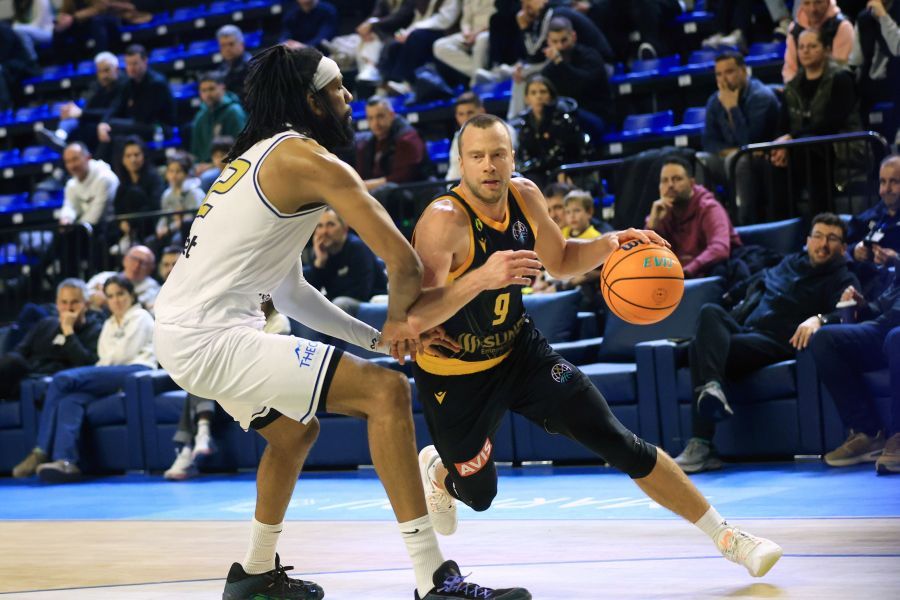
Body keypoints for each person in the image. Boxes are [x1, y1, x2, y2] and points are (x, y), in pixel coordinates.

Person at [153, 44, 526, 600]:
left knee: (294, 432)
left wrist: (382, 336)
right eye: (338, 89)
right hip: (211, 337)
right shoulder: (308, 160)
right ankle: (433, 579)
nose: (350, 97)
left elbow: (292, 293)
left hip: (185, 333)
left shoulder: (265, 156)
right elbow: (403, 262)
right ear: (311, 100)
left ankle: (254, 574)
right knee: (386, 392)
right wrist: (405, 327)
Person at [405, 113, 783, 585]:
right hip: (455, 376)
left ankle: (729, 538)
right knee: (479, 495)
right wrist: (483, 277)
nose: (489, 165)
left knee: (616, 440)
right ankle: (440, 471)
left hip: (521, 353)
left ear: (513, 157)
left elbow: (560, 259)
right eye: (477, 156)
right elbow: (412, 316)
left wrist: (611, 243)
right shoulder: (443, 222)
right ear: (459, 163)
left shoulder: (525, 196)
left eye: (498, 154)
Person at [674, 213, 859, 473]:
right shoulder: (788, 263)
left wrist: (819, 319)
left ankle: (702, 443)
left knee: (698, 349)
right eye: (818, 236)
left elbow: (849, 311)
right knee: (709, 312)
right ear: (807, 240)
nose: (823, 244)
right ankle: (712, 387)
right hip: (747, 328)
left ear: (843, 247)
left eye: (832, 239)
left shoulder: (841, 277)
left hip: (775, 341)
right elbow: (750, 287)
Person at [23, 275, 156, 483]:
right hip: (111, 374)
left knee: (62, 380)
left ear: (131, 295)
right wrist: (101, 369)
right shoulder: (110, 323)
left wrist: (98, 370)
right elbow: (105, 357)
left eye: (121, 294)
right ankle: (66, 462)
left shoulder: (141, 317)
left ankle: (40, 449)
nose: (116, 300)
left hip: (135, 370)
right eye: (110, 296)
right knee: (70, 401)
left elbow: (121, 355)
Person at [811, 269, 900, 473]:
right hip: (883, 327)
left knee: (897, 338)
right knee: (825, 339)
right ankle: (868, 434)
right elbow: (884, 305)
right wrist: (864, 307)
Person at [1, 279, 102, 430]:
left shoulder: (95, 329)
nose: (68, 308)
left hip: (58, 381)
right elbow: (18, 353)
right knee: (11, 360)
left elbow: (85, 364)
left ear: (86, 305)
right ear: (57, 304)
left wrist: (68, 331)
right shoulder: (45, 324)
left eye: (75, 302)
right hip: (28, 377)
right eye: (64, 302)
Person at [701, 51, 781, 224]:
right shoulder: (714, 101)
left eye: (729, 72)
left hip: (765, 162)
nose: (723, 79)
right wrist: (736, 152)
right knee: (701, 160)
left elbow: (749, 140)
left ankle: (744, 221)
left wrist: (732, 109)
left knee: (737, 161)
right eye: (718, 74)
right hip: (737, 156)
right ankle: (708, 220)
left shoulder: (761, 97)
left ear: (744, 71)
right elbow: (708, 142)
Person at [645, 156, 742, 279]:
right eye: (664, 180)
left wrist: (686, 271)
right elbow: (647, 258)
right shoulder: (661, 211)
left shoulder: (709, 207)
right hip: (679, 278)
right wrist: (652, 225)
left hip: (714, 276)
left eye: (677, 179)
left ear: (691, 183)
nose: (670, 185)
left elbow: (719, 249)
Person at [304, 207, 387, 315]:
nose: (324, 231)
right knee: (306, 305)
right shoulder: (320, 252)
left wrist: (328, 297)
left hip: (369, 302)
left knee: (339, 304)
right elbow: (311, 292)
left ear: (344, 229)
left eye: (330, 225)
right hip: (337, 302)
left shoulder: (357, 248)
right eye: (320, 226)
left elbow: (361, 291)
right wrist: (319, 263)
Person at [511, 75, 589, 188]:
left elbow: (563, 154)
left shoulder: (564, 119)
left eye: (543, 92)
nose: (539, 96)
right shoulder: (524, 124)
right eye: (533, 93)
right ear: (527, 99)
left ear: (551, 96)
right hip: (537, 172)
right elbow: (525, 155)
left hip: (567, 169)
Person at [541, 16, 613, 138]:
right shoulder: (549, 70)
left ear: (573, 37)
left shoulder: (590, 57)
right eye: (555, 42)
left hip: (596, 117)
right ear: (548, 42)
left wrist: (560, 63)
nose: (560, 46)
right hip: (564, 121)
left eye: (564, 40)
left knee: (564, 113)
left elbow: (581, 85)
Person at [97, 44, 177, 149]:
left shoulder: (157, 83)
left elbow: (146, 116)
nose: (131, 68)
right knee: (112, 132)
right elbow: (116, 106)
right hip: (139, 125)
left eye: (135, 64)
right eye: (128, 64)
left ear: (145, 61)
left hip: (158, 128)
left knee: (114, 127)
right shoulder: (129, 82)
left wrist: (130, 108)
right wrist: (103, 123)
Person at [847, 155, 900, 296]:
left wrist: (897, 259)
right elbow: (842, 248)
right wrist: (855, 251)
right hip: (863, 286)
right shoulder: (868, 217)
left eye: (894, 182)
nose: (886, 189)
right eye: (882, 182)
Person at [354, 96, 428, 192]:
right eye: (370, 118)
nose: (375, 123)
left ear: (391, 115)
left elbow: (402, 177)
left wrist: (367, 186)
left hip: (411, 194)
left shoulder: (408, 138)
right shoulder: (368, 142)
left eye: (380, 116)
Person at [111, 136, 163, 254]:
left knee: (135, 194)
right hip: (127, 230)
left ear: (143, 156)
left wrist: (133, 224)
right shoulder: (123, 183)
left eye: (136, 154)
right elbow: (117, 208)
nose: (133, 159)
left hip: (149, 227)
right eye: (128, 156)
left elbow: (155, 206)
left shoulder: (154, 178)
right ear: (122, 160)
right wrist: (122, 223)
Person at [783, 0, 855, 82]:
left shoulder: (842, 27)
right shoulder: (794, 28)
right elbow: (790, 69)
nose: (813, 9)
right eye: (807, 3)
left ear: (828, 2)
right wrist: (792, 90)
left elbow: (840, 70)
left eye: (818, 2)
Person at [151, 151, 205, 255]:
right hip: (171, 230)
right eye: (171, 171)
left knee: (176, 240)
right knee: (152, 241)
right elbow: (164, 216)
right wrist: (160, 228)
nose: (174, 175)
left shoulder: (194, 192)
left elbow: (191, 219)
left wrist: (170, 228)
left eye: (178, 171)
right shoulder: (167, 194)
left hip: (189, 231)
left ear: (186, 173)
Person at [433, 0, 496, 87]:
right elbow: (465, 20)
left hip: (491, 30)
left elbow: (499, 16)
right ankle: (483, 74)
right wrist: (467, 33)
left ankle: (475, 84)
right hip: (471, 32)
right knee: (440, 45)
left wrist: (476, 34)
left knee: (482, 39)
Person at [190, 71, 247, 165]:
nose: (207, 94)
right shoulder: (200, 116)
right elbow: (195, 152)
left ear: (222, 88)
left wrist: (211, 166)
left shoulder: (234, 111)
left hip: (229, 164)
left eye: (211, 89)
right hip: (204, 167)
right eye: (203, 90)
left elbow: (241, 148)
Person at [87, 245, 160, 312]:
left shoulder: (153, 288)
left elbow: (146, 311)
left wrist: (106, 299)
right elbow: (82, 295)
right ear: (125, 260)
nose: (137, 265)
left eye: (143, 263)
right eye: (134, 259)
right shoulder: (103, 277)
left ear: (151, 268)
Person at [216, 25, 252, 102]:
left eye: (231, 44)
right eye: (223, 45)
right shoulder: (223, 66)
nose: (227, 49)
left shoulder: (251, 66)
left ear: (242, 45)